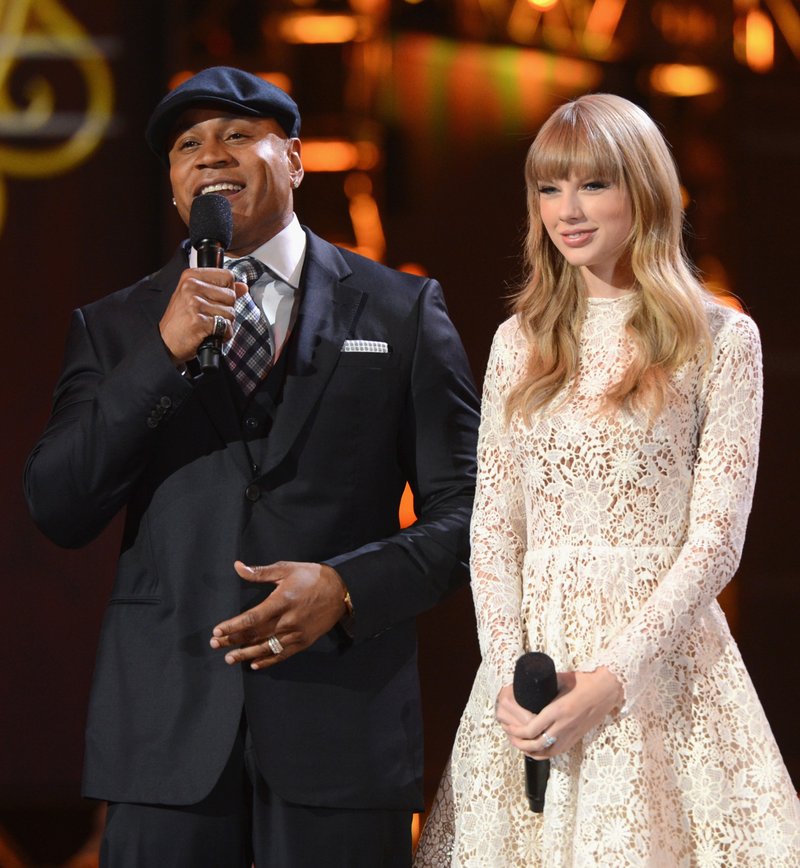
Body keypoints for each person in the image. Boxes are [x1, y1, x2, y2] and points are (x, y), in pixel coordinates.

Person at [24, 66, 480, 867]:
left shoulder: (401, 310)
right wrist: (159, 357)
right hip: (165, 746)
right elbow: (58, 505)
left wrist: (347, 588)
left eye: (238, 135)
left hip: (340, 733)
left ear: (296, 160)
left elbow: (473, 512)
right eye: (188, 145)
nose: (212, 156)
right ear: (172, 185)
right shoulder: (116, 327)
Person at [414, 93, 800, 866]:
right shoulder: (517, 342)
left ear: (644, 191)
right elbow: (494, 526)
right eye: (550, 188)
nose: (568, 210)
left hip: (664, 671)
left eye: (593, 185)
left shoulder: (721, 338)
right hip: (530, 677)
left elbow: (717, 541)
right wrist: (505, 673)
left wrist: (612, 679)